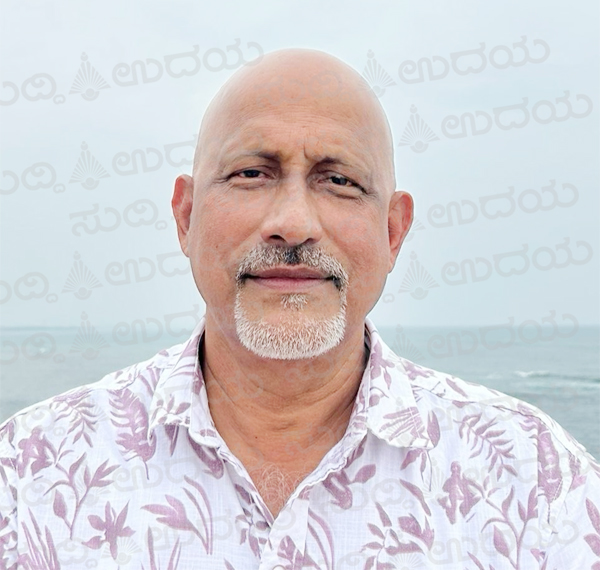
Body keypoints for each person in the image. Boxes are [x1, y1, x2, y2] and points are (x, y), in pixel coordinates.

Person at [1, 48, 599, 570]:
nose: (292, 223)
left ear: (393, 231)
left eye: (338, 181)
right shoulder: (29, 477)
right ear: (185, 216)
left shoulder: (537, 484)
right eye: (251, 173)